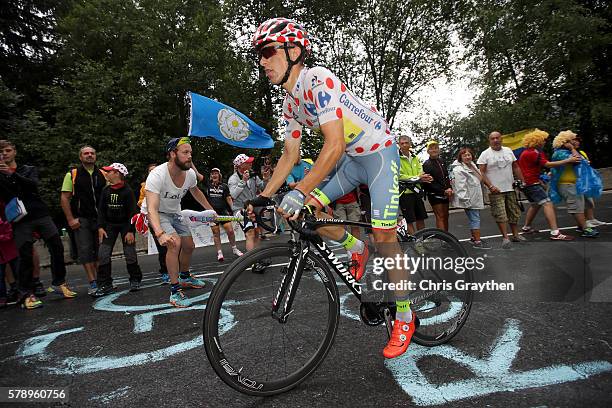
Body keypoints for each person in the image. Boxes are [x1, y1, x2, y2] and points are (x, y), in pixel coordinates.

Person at [249, 17, 415, 358]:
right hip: (353, 162)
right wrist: (263, 197)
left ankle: (405, 315)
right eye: (259, 55)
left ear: (293, 51)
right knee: (308, 214)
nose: (262, 62)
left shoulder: (318, 80)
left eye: (267, 52)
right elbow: (289, 155)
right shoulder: (290, 104)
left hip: (379, 154)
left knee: (384, 238)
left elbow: (334, 144)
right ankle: (356, 248)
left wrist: (298, 191)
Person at [0, 140, 76, 308]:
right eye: (2, 152)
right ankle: (26, 293)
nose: (5, 154)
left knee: (56, 245)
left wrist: (12, 174)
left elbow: (32, 186)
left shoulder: (28, 169)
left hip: (39, 213)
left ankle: (59, 282)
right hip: (20, 219)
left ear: (14, 152)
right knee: (25, 254)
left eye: (8, 150)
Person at [142, 137, 216, 307]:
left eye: (190, 152)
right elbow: (152, 208)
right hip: (158, 213)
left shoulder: (189, 174)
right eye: (185, 152)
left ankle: (184, 277)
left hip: (175, 212)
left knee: (189, 246)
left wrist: (211, 211)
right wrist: (159, 233)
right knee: (174, 244)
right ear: (172, 154)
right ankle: (175, 292)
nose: (190, 156)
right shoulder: (157, 175)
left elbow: (196, 192)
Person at [517, 129, 579, 240]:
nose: (545, 142)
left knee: (535, 205)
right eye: (544, 140)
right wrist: (568, 160)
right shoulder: (533, 153)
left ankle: (526, 227)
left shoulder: (530, 152)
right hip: (531, 183)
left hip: (528, 183)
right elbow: (548, 164)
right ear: (538, 141)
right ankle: (555, 233)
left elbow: (530, 168)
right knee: (547, 203)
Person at [60, 145, 106, 294]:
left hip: (100, 219)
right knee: (85, 250)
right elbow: (65, 198)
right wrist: (70, 219)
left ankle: (101, 281)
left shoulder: (103, 173)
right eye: (86, 153)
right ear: (80, 157)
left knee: (101, 250)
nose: (89, 155)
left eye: (92, 153)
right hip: (82, 218)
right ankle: (92, 282)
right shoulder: (72, 174)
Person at [92, 163, 142, 297]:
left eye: (109, 171)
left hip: (125, 225)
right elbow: (101, 210)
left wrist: (131, 231)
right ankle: (105, 283)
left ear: (117, 174)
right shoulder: (106, 190)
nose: (107, 173)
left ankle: (135, 279)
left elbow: (133, 211)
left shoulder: (127, 191)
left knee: (129, 252)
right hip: (110, 225)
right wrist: (101, 227)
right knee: (103, 253)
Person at [477, 131, 526, 248]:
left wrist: (522, 181)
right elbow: (481, 172)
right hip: (496, 190)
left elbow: (516, 166)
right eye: (492, 138)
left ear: (501, 139)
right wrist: (490, 186)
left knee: (514, 212)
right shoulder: (485, 154)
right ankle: (505, 237)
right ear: (489, 141)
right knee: (500, 214)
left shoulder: (508, 151)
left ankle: (516, 235)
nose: (495, 140)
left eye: (497, 138)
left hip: (510, 187)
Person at [549, 130, 600, 238]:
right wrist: (572, 149)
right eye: (572, 140)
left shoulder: (568, 152)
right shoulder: (560, 153)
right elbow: (578, 160)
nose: (574, 141)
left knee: (582, 205)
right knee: (576, 207)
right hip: (567, 184)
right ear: (565, 142)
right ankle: (585, 229)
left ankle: (581, 225)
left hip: (574, 183)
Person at [449, 147, 491, 249]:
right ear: (460, 157)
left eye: (469, 155)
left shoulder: (472, 165)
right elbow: (460, 186)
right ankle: (477, 241)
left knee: (474, 218)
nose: (467, 157)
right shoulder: (459, 169)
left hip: (474, 197)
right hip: (469, 199)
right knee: (475, 219)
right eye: (464, 155)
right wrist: (465, 200)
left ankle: (474, 238)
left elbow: (479, 179)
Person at [228, 154, 266, 252]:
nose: (251, 163)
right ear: (241, 165)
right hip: (240, 209)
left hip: (253, 208)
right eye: (248, 162)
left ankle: (257, 259)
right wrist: (243, 181)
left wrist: (266, 179)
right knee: (250, 232)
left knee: (257, 232)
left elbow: (263, 187)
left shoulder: (253, 175)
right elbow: (233, 195)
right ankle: (252, 261)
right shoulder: (233, 179)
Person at [204, 168, 243, 262]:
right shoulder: (208, 185)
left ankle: (234, 249)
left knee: (230, 231)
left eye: (216, 173)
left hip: (223, 212)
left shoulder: (224, 186)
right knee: (216, 233)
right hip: (212, 214)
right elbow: (198, 175)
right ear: (211, 176)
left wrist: (234, 210)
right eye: (212, 173)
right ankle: (220, 253)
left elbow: (229, 199)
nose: (214, 175)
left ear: (219, 175)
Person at [139, 163, 169, 284]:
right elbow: (140, 201)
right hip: (154, 219)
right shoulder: (145, 187)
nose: (153, 172)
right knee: (162, 248)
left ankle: (178, 270)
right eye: (150, 171)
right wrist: (146, 204)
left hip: (168, 217)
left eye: (155, 170)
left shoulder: (166, 182)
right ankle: (165, 272)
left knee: (175, 245)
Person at [398, 136, 431, 235]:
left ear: (410, 144)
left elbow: (420, 172)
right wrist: (417, 178)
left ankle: (422, 241)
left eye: (406, 143)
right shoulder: (396, 158)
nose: (404, 145)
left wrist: (423, 177)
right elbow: (399, 176)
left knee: (420, 218)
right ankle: (415, 244)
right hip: (405, 193)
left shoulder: (415, 157)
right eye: (402, 143)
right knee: (409, 220)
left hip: (416, 191)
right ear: (399, 145)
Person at [570, 136, 606, 229]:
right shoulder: (569, 153)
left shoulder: (581, 152)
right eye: (575, 140)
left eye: (578, 140)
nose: (577, 142)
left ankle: (591, 219)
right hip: (577, 180)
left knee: (590, 201)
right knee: (581, 203)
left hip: (586, 179)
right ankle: (584, 222)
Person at [422, 140, 452, 231]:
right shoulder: (427, 164)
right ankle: (442, 240)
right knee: (440, 216)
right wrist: (443, 191)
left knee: (446, 215)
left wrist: (449, 188)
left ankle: (447, 238)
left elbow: (446, 176)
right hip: (434, 194)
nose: (434, 150)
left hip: (446, 193)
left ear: (439, 150)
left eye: (436, 148)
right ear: (428, 151)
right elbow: (428, 182)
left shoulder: (442, 161)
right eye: (431, 148)